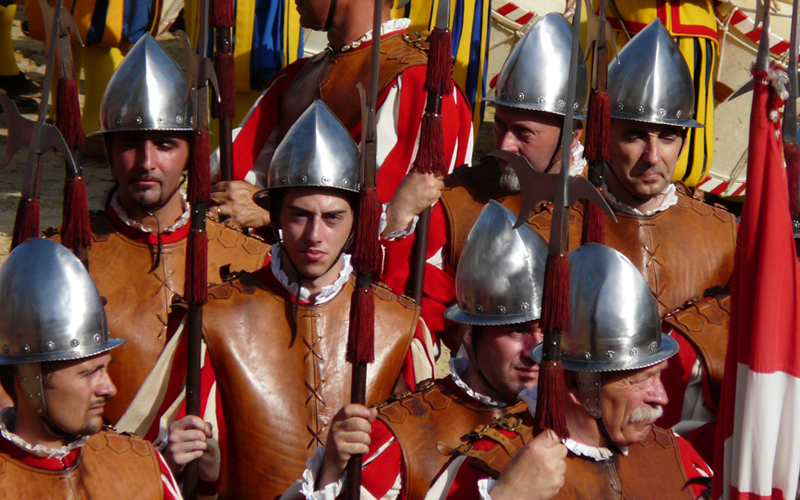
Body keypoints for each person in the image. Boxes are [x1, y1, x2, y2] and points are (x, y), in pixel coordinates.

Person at [166, 101, 435, 500]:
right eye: (299, 215)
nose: (314, 235)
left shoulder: (399, 324)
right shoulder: (213, 317)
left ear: (357, 219)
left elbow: (418, 464)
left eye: (332, 217)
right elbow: (190, 474)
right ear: (274, 215)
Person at [525, 20, 734, 462]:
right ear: (605, 133)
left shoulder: (725, 234)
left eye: (668, 136)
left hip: (694, 462)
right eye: (636, 135)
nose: (653, 156)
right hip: (577, 451)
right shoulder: (551, 229)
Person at [209, 0, 475, 344]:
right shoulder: (297, 75)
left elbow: (402, 238)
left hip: (369, 325)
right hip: (278, 301)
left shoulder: (418, 83)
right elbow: (232, 181)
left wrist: (272, 216)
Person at [49, 34, 270, 429]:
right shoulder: (59, 258)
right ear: (111, 150)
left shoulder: (249, 258)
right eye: (130, 144)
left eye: (165, 144)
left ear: (191, 153)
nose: (147, 161)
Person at [279, 200, 566, 500]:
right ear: (468, 334)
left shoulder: (572, 421)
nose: (536, 349)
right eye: (516, 330)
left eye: (545, 329)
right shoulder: (402, 437)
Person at [434, 244, 712, 500]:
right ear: (578, 385)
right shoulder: (491, 464)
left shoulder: (676, 455)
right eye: (639, 381)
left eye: (658, 374)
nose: (661, 397)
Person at [0, 238, 183, 499]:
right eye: (87, 373)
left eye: (105, 369)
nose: (108, 388)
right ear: (27, 377)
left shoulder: (140, 464)